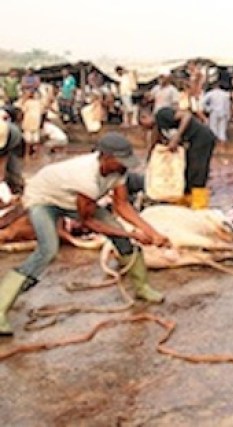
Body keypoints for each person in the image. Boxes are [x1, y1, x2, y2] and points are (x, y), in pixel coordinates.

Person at [0, 133, 170, 335]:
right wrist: (133, 236)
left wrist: (152, 232)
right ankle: (2, 305)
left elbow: (122, 205)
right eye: (120, 160)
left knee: (120, 234)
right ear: (105, 157)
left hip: (72, 199)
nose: (124, 166)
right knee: (48, 249)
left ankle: (142, 287)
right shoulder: (86, 178)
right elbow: (89, 222)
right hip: (43, 199)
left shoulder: (118, 171)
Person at [138, 106, 217, 200]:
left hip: (202, 138)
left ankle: (199, 202)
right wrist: (150, 159)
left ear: (145, 117)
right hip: (191, 143)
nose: (146, 128)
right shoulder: (158, 127)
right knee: (185, 171)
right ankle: (186, 199)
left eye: (143, 125)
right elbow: (154, 141)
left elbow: (186, 116)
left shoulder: (162, 114)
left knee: (197, 172)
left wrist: (177, 137)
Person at [0, 120, 25, 193]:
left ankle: (17, 188)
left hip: (13, 146)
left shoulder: (13, 135)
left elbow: (3, 158)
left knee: (13, 167)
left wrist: (1, 177)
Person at [19, 91, 43, 157]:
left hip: (28, 122)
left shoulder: (27, 102)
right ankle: (37, 154)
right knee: (36, 139)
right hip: (36, 122)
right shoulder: (39, 103)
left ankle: (27, 154)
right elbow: (41, 112)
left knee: (28, 140)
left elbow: (22, 110)